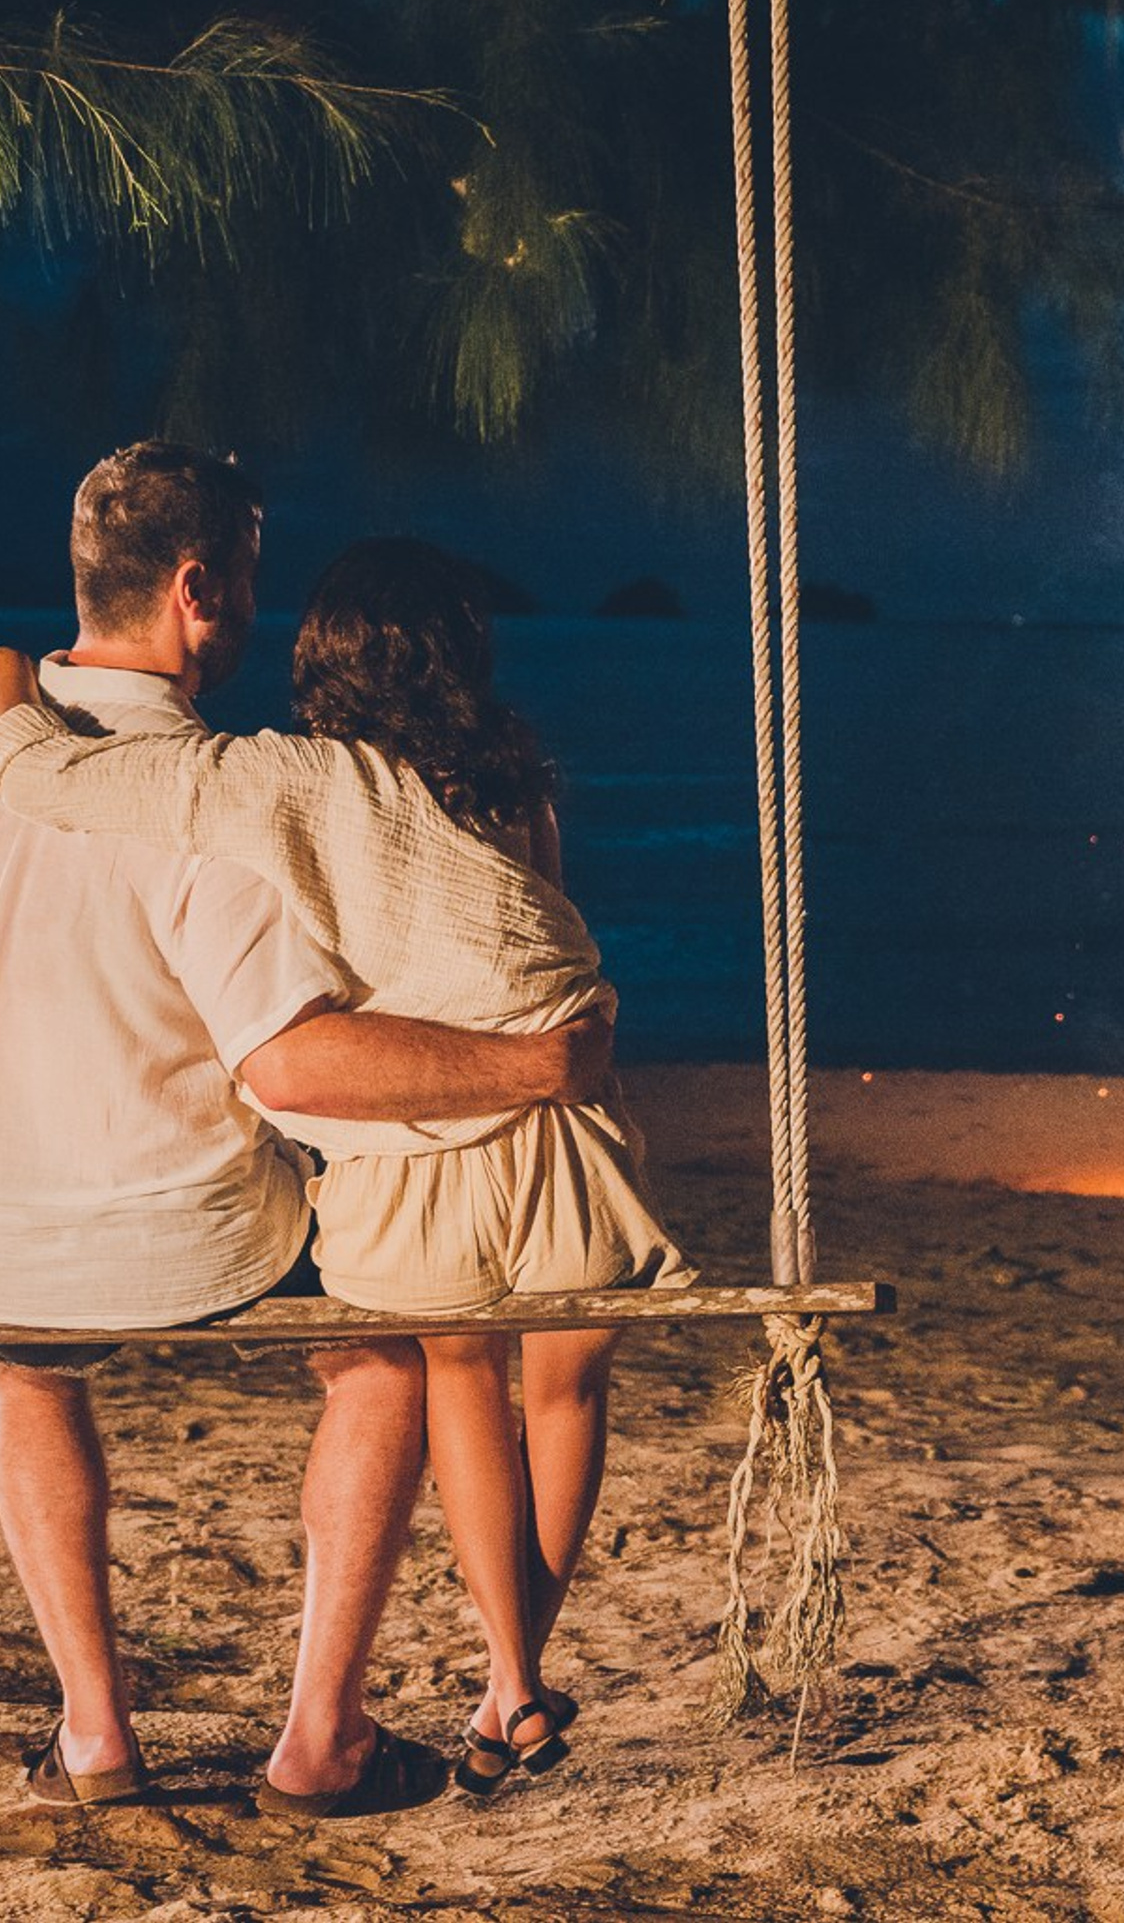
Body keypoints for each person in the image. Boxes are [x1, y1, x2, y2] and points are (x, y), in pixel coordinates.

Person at [0, 533, 692, 1801]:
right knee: (522, 1387)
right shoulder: (514, 778)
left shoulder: (285, 784)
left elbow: (76, 781)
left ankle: (111, 1729)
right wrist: (550, 1056)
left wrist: (13, 705)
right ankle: (485, 1684)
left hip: (324, 1172)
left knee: (447, 1375)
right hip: (555, 1155)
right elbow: (465, 971)